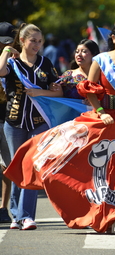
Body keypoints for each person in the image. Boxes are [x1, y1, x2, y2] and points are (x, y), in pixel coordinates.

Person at [4, 21, 115, 235]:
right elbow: (90, 91)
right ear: (113, 38)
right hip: (104, 119)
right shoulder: (101, 61)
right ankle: (112, 217)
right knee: (93, 164)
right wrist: (102, 112)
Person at [0, 23, 62, 230]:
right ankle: (16, 216)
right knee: (17, 168)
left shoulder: (46, 63)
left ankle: (27, 216)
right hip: (14, 123)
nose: (36, 44)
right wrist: (7, 51)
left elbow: (58, 92)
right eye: (32, 40)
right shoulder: (12, 62)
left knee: (32, 166)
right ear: (23, 41)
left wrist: (41, 92)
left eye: (39, 41)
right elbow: (0, 71)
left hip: (39, 122)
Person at [0, 21, 15, 223]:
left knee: (6, 164)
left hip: (7, 117)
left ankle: (3, 208)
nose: (6, 47)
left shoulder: (17, 60)